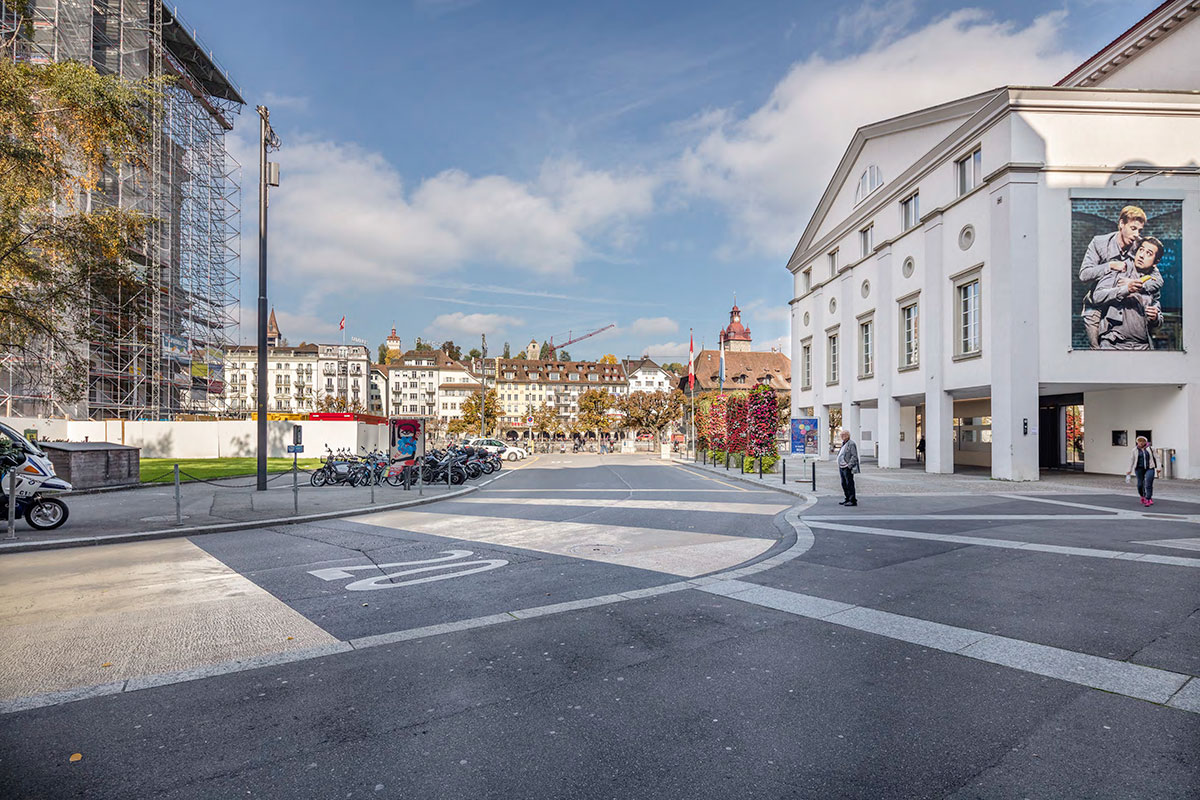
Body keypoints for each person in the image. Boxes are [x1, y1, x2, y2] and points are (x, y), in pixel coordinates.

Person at [1079, 205, 1146, 347]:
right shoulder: (1099, 243)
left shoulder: (1139, 246)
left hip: (1121, 308)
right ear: (1121, 224)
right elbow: (1084, 275)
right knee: (1097, 352)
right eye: (1133, 228)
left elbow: (1154, 275)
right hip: (1097, 308)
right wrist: (1109, 266)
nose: (1136, 234)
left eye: (1139, 230)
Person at [1093, 236, 1165, 350]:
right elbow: (1097, 296)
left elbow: (1159, 317)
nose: (1142, 255)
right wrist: (1126, 289)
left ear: (1156, 262)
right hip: (1114, 344)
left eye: (1149, 253)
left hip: (1143, 346)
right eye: (1141, 250)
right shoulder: (1119, 269)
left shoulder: (1152, 282)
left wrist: (1156, 317)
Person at [1126, 436, 1159, 506]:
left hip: (1150, 468)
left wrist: (1159, 468)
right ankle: (1142, 496)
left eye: (1143, 441)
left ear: (1145, 442)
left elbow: (1157, 458)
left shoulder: (1151, 449)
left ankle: (1148, 498)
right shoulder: (1134, 450)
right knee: (1140, 485)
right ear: (1137, 442)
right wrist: (1129, 470)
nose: (1141, 443)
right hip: (1139, 468)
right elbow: (1131, 460)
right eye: (1139, 441)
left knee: (1148, 483)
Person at [836, 429, 860, 506]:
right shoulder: (844, 443)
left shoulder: (851, 444)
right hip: (841, 466)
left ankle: (852, 500)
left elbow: (854, 456)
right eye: (841, 435)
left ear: (848, 436)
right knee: (843, 483)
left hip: (847, 467)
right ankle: (847, 498)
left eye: (843, 435)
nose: (842, 436)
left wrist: (849, 465)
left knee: (849, 483)